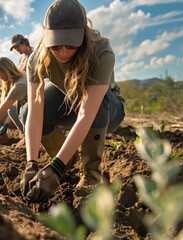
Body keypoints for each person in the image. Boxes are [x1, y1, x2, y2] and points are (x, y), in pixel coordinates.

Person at [19, 0, 125, 203]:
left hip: (108, 110)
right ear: (45, 34)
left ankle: (91, 174)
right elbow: (35, 113)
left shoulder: (102, 52)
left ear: (83, 34)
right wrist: (31, 164)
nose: (63, 52)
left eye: (71, 44)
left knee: (98, 102)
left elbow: (87, 113)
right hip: (70, 101)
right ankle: (64, 160)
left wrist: (55, 168)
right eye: (56, 45)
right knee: (24, 112)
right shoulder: (36, 58)